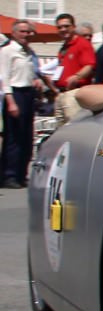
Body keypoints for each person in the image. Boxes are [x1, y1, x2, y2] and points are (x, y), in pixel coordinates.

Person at [0, 20, 42, 188]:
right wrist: (10, 101)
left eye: (29, 32)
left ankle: (21, 173)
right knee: (14, 137)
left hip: (28, 93)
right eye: (23, 31)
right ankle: (9, 175)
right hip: (15, 94)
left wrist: (37, 80)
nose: (26, 35)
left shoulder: (29, 52)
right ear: (14, 33)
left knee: (26, 136)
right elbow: (4, 78)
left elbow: (31, 73)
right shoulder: (7, 51)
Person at [54, 13, 96, 91]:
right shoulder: (64, 47)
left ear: (73, 27)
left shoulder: (83, 43)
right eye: (59, 27)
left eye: (66, 26)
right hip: (63, 90)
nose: (63, 29)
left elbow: (89, 66)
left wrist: (77, 77)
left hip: (77, 90)